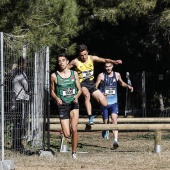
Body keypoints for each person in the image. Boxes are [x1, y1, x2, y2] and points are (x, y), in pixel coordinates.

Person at [67, 44, 122, 125]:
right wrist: (71, 78)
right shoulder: (75, 61)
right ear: (79, 55)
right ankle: (90, 117)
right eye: (81, 55)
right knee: (87, 95)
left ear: (88, 52)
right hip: (82, 83)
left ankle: (104, 116)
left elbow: (104, 60)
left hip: (91, 83)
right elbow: (66, 69)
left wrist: (114, 61)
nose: (84, 57)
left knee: (105, 103)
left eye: (85, 54)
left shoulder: (92, 58)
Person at [51, 53, 82, 159]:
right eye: (59, 61)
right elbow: (52, 91)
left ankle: (74, 153)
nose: (61, 63)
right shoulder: (54, 75)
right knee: (67, 134)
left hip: (73, 103)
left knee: (74, 129)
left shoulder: (74, 74)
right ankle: (65, 128)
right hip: (63, 104)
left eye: (63, 60)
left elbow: (80, 89)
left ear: (67, 62)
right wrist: (57, 99)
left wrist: (77, 96)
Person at [95, 62, 133, 149]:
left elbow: (121, 83)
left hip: (114, 102)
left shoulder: (117, 75)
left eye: (110, 66)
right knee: (105, 121)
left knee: (114, 120)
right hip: (104, 102)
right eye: (106, 67)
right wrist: (100, 94)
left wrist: (128, 86)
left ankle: (115, 141)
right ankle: (105, 129)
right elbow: (95, 87)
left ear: (112, 66)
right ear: (104, 67)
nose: (108, 68)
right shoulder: (101, 75)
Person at [10, 56, 33, 155]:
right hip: (21, 99)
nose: (27, 65)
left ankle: (15, 144)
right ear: (21, 64)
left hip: (15, 100)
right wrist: (29, 90)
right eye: (26, 64)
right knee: (21, 123)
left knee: (17, 124)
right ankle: (18, 145)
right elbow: (26, 86)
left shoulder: (13, 72)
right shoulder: (20, 73)